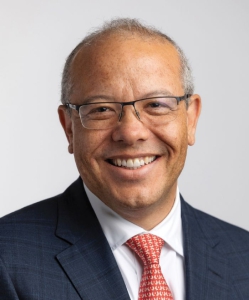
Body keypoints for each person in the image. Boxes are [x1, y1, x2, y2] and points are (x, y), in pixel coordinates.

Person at [0, 18, 249, 300]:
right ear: (69, 127)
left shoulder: (243, 257)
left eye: (156, 104)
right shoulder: (7, 260)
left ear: (190, 119)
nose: (131, 133)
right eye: (102, 109)